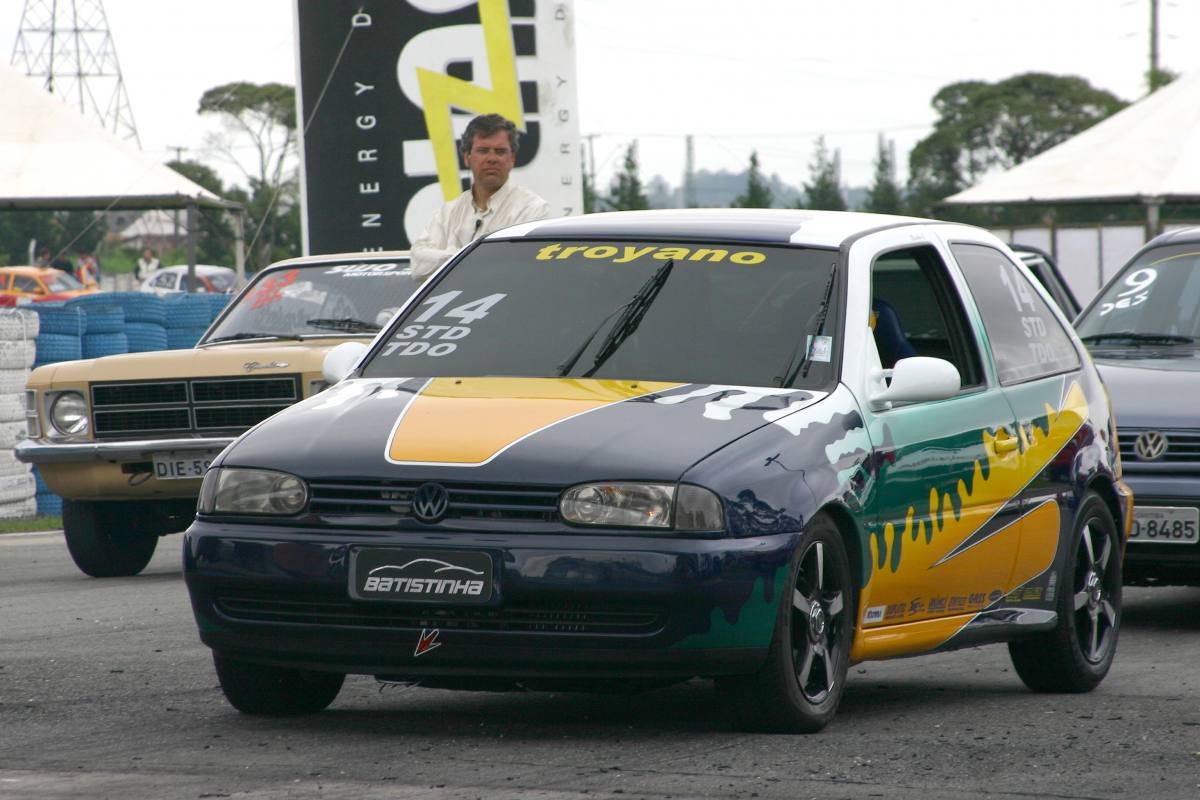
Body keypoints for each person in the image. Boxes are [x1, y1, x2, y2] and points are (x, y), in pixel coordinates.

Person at [410, 113, 550, 284]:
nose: (492, 158)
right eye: (483, 151)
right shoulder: (448, 212)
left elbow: (517, 268)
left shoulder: (533, 210)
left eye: (500, 151)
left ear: (512, 159)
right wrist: (474, 257)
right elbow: (418, 265)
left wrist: (451, 255)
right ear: (467, 158)